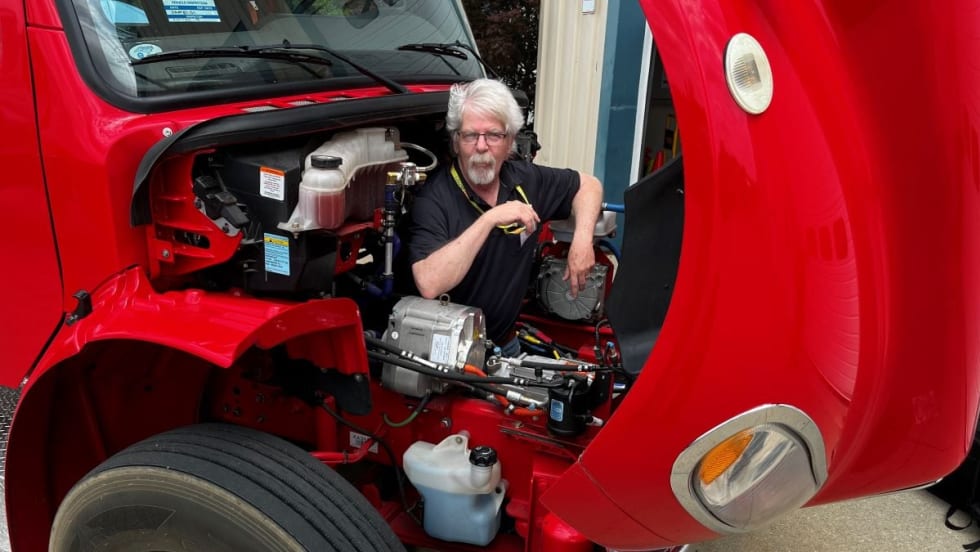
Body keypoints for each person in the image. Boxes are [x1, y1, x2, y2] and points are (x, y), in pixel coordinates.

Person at [407, 78, 603, 357]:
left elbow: (589, 185)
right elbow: (429, 282)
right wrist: (490, 219)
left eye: (493, 136)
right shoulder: (434, 198)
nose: (482, 146)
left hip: (505, 346)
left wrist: (582, 242)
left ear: (510, 141)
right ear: (455, 141)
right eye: (470, 136)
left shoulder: (524, 179)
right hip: (446, 355)